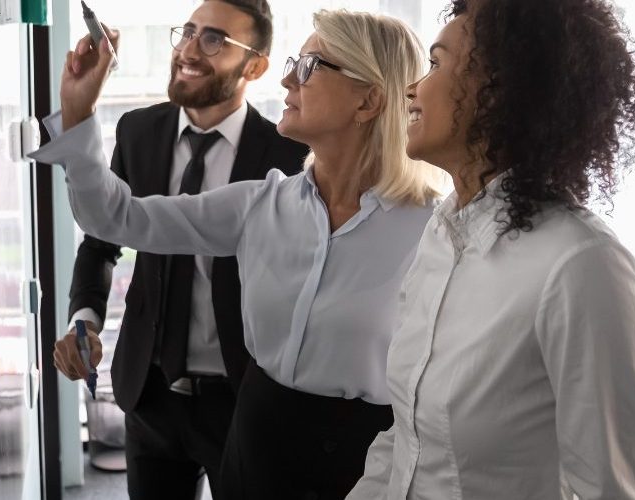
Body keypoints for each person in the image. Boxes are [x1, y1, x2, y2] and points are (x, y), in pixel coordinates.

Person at [32, 9, 446, 499]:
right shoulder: (259, 204)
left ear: (369, 99)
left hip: (366, 460)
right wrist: (78, 113)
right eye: (295, 62)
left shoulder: (432, 228)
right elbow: (117, 219)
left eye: (311, 66)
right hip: (255, 444)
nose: (290, 78)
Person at [346, 0, 635, 498]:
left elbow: (613, 489)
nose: (411, 88)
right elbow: (408, 440)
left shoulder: (582, 265)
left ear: (497, 91)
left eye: (436, 63)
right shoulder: (442, 233)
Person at [49, 0, 307, 497]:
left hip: (243, 397)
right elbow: (101, 243)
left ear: (255, 66)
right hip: (149, 393)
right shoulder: (138, 130)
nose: (189, 49)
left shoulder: (288, 153)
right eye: (186, 32)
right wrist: (84, 320)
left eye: (213, 39)